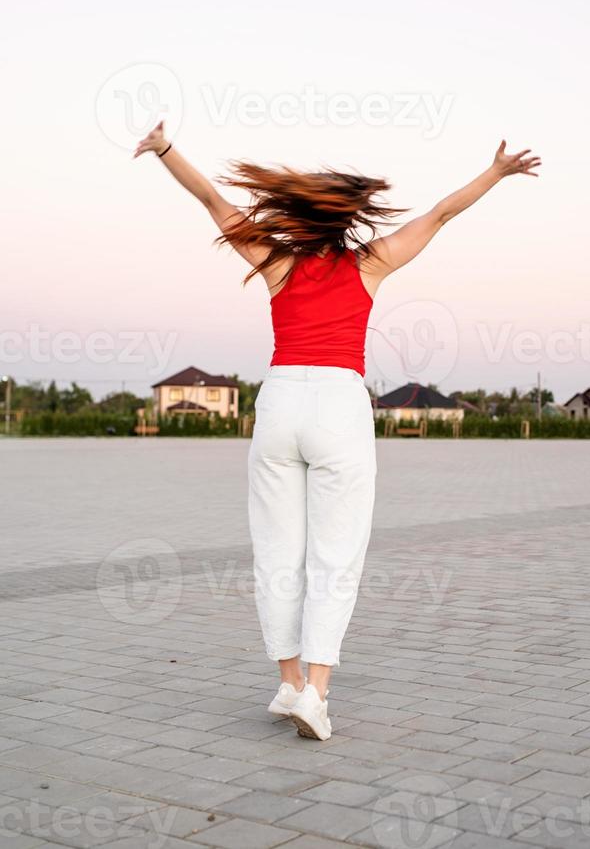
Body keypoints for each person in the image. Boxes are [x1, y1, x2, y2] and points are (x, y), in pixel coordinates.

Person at [134, 123, 540, 739]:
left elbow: (211, 201)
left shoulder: (275, 261)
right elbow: (440, 214)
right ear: (346, 219)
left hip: (279, 405)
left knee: (276, 552)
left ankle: (288, 680)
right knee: (335, 555)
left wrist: (165, 149)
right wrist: (498, 172)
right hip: (339, 406)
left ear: (299, 219)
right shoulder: (369, 263)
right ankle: (315, 696)